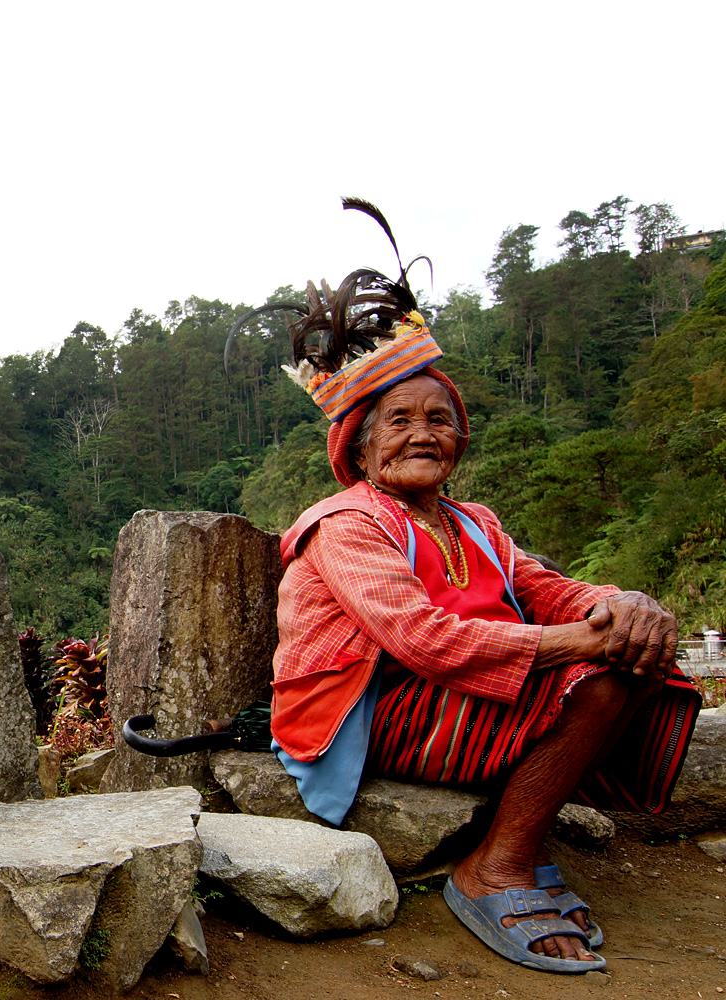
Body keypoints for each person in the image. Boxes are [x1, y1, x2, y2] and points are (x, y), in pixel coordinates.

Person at [258, 200, 700, 975]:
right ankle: (493, 867)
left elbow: (547, 589)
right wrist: (579, 642)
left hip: (459, 691)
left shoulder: (474, 522)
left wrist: (621, 604)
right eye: (397, 420)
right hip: (370, 706)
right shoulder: (347, 524)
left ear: (460, 440)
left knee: (635, 655)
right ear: (360, 449)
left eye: (439, 419)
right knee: (595, 678)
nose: (421, 432)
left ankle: (510, 843)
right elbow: (423, 638)